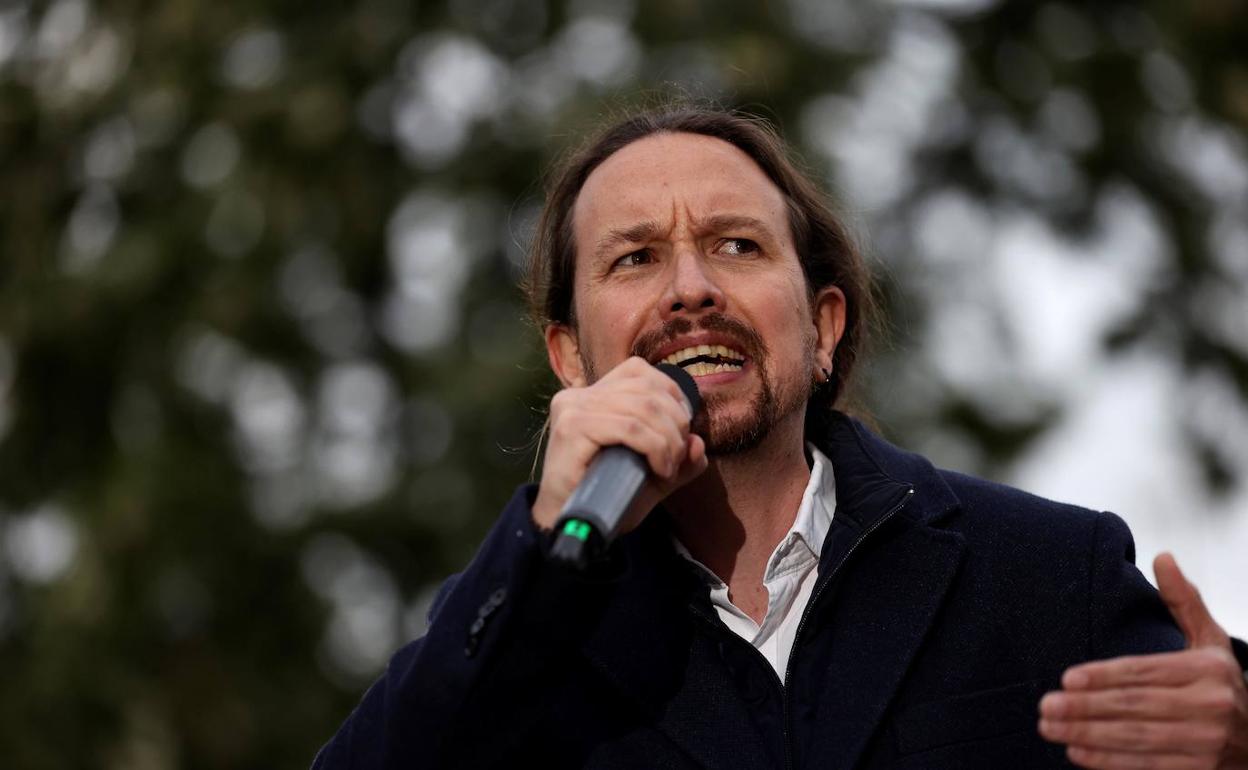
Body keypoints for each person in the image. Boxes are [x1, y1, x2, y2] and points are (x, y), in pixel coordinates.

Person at [314, 105, 1248, 769]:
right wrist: (544, 547)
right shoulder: (512, 633)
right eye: (635, 258)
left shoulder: (1047, 571)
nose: (690, 290)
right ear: (571, 359)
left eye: (738, 245)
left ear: (823, 326)